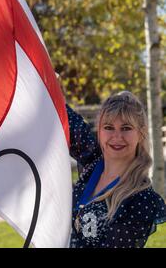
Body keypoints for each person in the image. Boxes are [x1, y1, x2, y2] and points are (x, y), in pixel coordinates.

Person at [68, 90, 166, 248]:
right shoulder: (94, 163)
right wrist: (47, 82)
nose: (117, 136)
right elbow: (64, 119)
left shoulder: (141, 198)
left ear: (140, 133)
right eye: (108, 127)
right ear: (99, 131)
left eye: (126, 128)